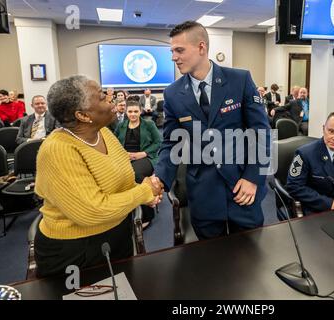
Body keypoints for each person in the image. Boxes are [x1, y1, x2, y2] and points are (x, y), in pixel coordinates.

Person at [34, 75, 163, 278]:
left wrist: (146, 194)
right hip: (75, 251)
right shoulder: (57, 150)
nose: (112, 100)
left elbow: (124, 180)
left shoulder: (103, 133)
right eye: (102, 97)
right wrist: (144, 191)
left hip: (117, 234)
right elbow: (92, 211)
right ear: (83, 115)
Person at [155, 21, 270, 240]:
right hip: (204, 192)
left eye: (179, 50)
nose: (174, 57)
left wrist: (253, 177)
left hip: (243, 187)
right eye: (172, 51)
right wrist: (160, 180)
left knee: (250, 260)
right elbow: (171, 143)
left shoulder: (239, 80)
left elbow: (260, 132)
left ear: (201, 48)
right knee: (211, 263)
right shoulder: (172, 94)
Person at [115, 95, 161, 228]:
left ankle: (147, 214)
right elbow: (115, 143)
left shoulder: (149, 124)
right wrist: (123, 154)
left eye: (136, 111)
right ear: (126, 112)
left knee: (135, 174)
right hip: (125, 158)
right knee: (116, 176)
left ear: (140, 111)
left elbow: (158, 142)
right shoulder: (121, 125)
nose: (133, 114)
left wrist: (143, 153)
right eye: (130, 111)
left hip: (146, 157)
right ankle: (126, 211)